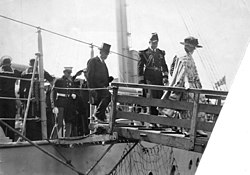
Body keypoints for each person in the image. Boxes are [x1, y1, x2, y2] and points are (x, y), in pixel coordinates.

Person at [158, 36, 207, 136]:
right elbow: (174, 70)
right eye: (193, 47)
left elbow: (193, 72)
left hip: (194, 85)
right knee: (186, 108)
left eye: (194, 47)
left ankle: (197, 128)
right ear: (187, 46)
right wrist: (179, 81)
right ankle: (187, 130)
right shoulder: (181, 56)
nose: (194, 49)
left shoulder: (189, 56)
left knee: (199, 104)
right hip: (184, 86)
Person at [19, 58, 54, 140]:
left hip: (31, 96)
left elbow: (21, 88)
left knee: (31, 115)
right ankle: (37, 136)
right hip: (36, 96)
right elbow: (51, 80)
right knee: (36, 114)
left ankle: (30, 136)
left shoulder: (25, 72)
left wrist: (22, 99)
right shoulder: (41, 71)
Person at [138, 33, 169, 115]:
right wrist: (141, 80)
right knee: (151, 96)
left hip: (158, 78)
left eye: (156, 43)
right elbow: (140, 67)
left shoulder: (160, 53)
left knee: (160, 97)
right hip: (149, 78)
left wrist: (165, 76)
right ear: (149, 42)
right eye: (153, 43)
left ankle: (157, 118)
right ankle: (152, 119)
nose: (155, 45)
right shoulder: (143, 53)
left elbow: (164, 65)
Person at [86, 43, 114, 123]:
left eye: (107, 54)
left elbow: (102, 78)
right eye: (105, 53)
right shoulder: (93, 61)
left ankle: (100, 119)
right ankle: (97, 114)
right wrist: (91, 89)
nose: (106, 56)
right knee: (108, 96)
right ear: (101, 52)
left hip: (102, 88)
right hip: (96, 89)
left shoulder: (103, 63)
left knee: (101, 105)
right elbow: (89, 76)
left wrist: (109, 79)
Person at [51, 67, 77, 138]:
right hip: (61, 103)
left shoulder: (71, 82)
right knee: (59, 123)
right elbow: (53, 93)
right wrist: (54, 105)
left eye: (70, 73)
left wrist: (73, 94)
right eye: (68, 73)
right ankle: (53, 139)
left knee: (68, 122)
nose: (69, 74)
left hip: (69, 104)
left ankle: (67, 140)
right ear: (64, 72)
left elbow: (72, 91)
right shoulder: (59, 81)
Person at [0, 55, 22, 141]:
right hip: (10, 99)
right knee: (10, 120)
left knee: (2, 119)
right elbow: (22, 74)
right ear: (10, 63)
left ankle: (2, 138)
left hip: (1, 99)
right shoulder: (14, 72)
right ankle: (11, 138)